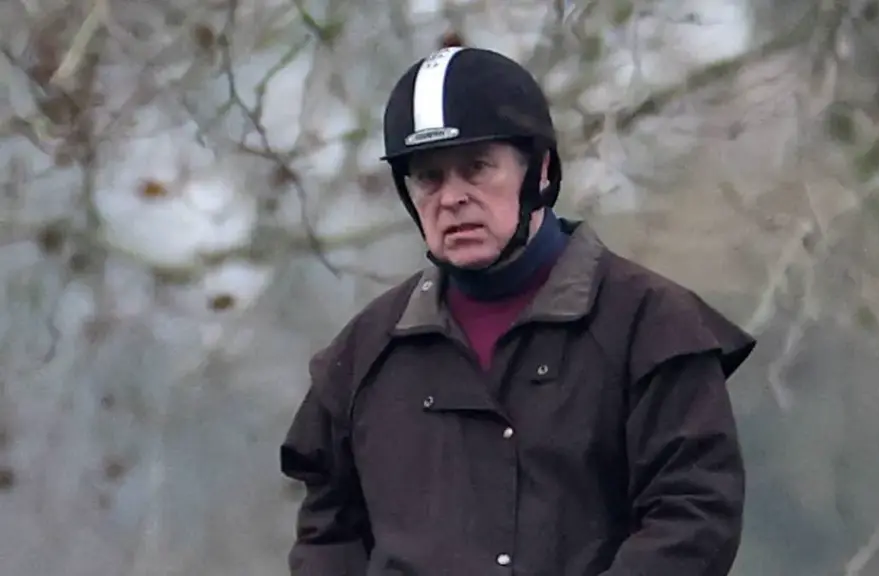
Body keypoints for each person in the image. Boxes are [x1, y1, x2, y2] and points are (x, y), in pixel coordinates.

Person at [279, 44, 757, 576]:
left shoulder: (652, 325)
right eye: (429, 177)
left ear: (541, 170)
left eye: (477, 168)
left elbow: (692, 518)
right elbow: (328, 537)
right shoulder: (361, 356)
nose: (451, 198)